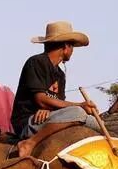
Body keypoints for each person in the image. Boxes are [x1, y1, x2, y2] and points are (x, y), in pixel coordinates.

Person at [11, 21, 100, 157]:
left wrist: (49, 109)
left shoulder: (60, 75)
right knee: (77, 112)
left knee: (96, 123)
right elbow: (41, 100)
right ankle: (29, 143)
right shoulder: (36, 62)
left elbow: (58, 105)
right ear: (66, 46)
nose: (72, 51)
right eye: (72, 46)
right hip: (29, 120)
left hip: (49, 117)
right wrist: (80, 105)